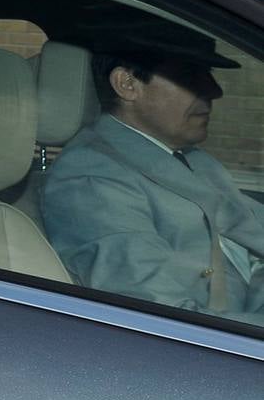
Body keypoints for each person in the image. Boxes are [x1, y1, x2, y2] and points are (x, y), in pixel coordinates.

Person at [42, 18, 264, 320]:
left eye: (207, 74)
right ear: (128, 84)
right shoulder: (91, 180)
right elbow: (166, 319)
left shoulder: (194, 160)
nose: (214, 90)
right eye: (190, 74)